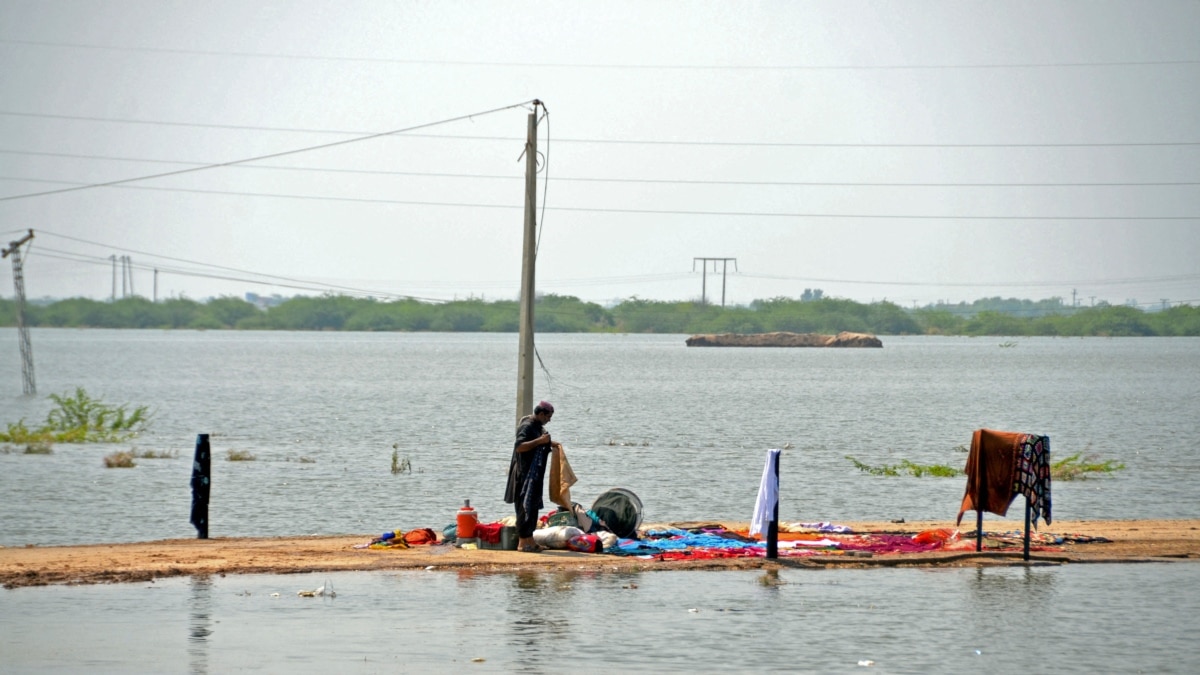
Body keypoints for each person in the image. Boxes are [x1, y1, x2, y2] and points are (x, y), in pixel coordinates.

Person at [504, 400, 561, 552]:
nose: (549, 420)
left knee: (532, 507)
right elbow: (520, 447)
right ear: (541, 414)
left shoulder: (537, 427)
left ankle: (531, 541)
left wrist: (550, 443)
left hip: (534, 475)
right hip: (523, 475)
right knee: (524, 507)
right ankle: (522, 543)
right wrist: (540, 441)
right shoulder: (527, 426)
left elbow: (538, 442)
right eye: (548, 416)